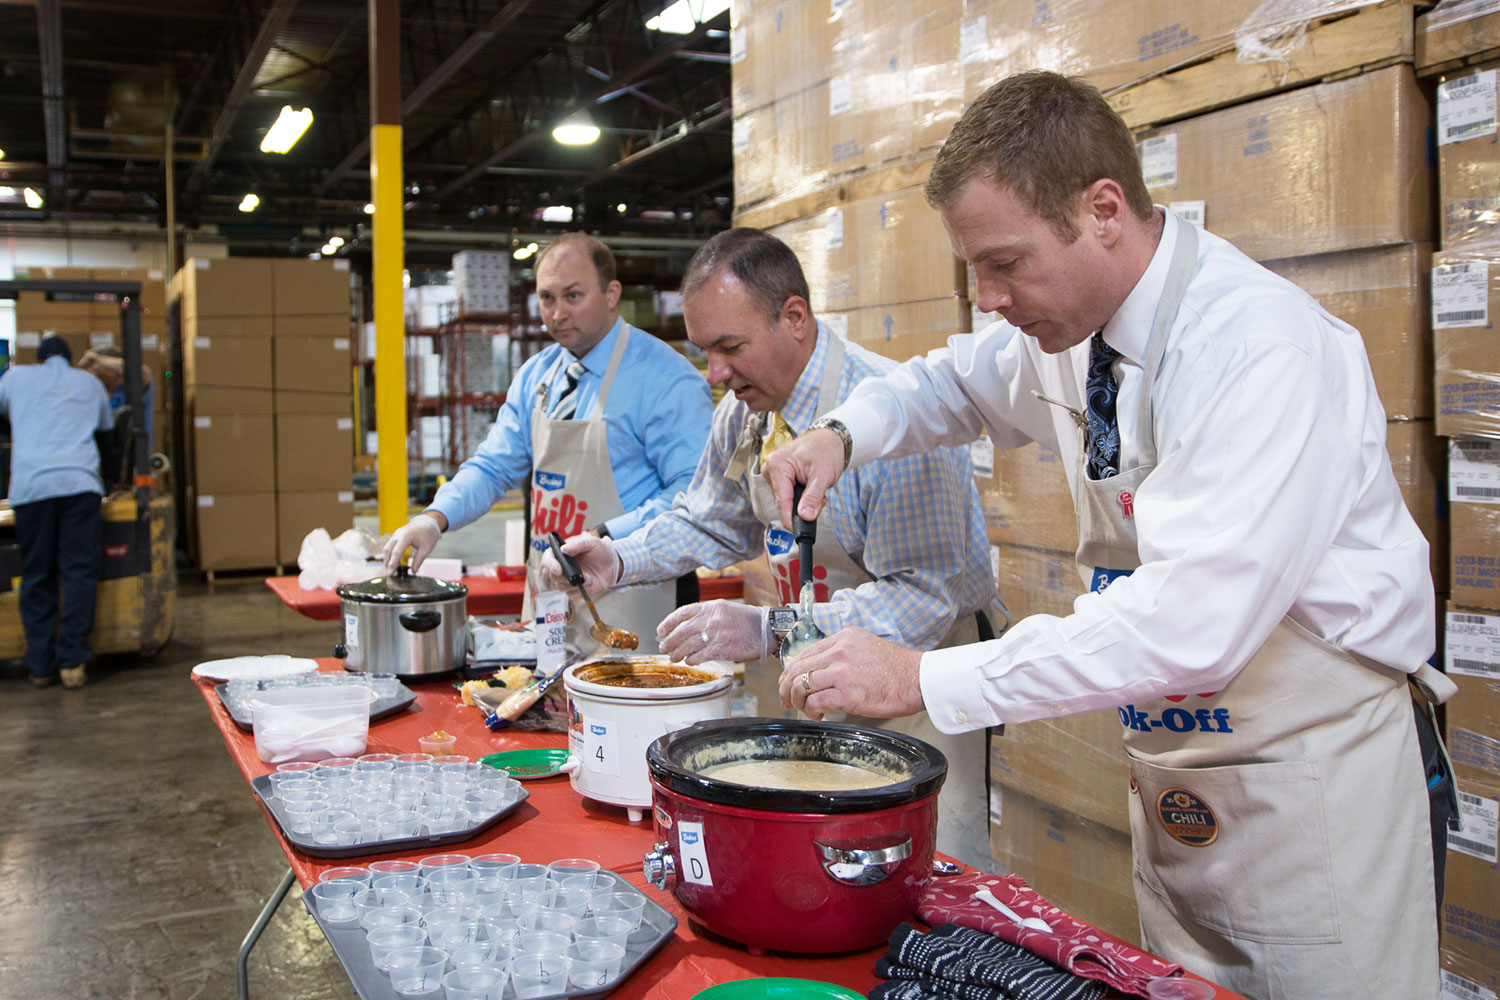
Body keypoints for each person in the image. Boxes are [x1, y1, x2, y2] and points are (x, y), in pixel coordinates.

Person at [764, 70, 1452, 999]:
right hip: (1182, 771)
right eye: (975, 269)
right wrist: (840, 435)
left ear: (1103, 210)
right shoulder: (1073, 333)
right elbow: (948, 384)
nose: (989, 297)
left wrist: (922, 676)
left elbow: (1186, 624)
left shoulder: (1255, 349)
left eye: (1005, 263)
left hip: (1313, 788)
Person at [539, 228, 1005, 870]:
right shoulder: (745, 412)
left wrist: (768, 629)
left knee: (922, 866)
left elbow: (919, 602)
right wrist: (619, 559)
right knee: (821, 857)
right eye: (706, 351)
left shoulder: (896, 422)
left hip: (918, 680)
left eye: (730, 348)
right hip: (812, 660)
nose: (717, 374)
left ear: (794, 318)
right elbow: (710, 520)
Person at [383, 233, 714, 654]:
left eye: (573, 295)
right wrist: (434, 518)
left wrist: (607, 536)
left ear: (612, 293)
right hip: (552, 597)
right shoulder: (537, 377)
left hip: (640, 595)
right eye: (547, 298)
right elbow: (493, 466)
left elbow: (693, 495)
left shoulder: (667, 380)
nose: (558, 313)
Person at [0, 336, 114, 688]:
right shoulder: (91, 382)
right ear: (70, 358)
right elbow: (107, 438)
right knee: (78, 571)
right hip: (79, 484)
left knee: (37, 573)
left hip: (32, 486)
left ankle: (39, 665)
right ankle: (72, 664)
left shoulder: (15, 377)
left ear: (39, 358)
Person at [78, 346, 155, 454]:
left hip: (132, 463)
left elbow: (143, 373)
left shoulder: (133, 389)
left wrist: (100, 361)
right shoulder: (94, 394)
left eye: (96, 369)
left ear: (112, 370)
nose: (92, 374)